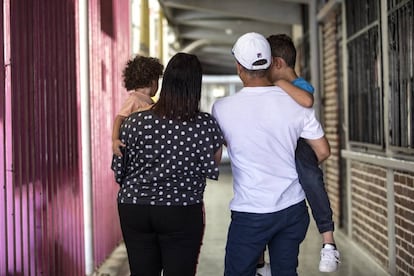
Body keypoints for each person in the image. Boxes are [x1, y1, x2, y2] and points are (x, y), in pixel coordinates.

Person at [212, 32, 331, 276]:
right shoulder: (298, 103)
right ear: (270, 63)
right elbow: (322, 150)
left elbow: (216, 155)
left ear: (239, 67)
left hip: (250, 213)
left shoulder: (221, 108)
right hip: (292, 209)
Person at [111, 52, 224, 276]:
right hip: (181, 210)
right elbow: (213, 161)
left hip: (135, 209)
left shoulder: (134, 121)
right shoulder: (204, 124)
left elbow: (119, 169)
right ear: (195, 86)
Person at [263, 33, 340, 274]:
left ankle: (328, 242)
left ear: (277, 63)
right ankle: (259, 262)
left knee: (312, 179)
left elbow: (307, 100)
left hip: (300, 147)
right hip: (282, 150)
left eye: (265, 64)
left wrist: (277, 84)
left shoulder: (298, 86)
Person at [112, 55, 163, 157]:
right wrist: (115, 140)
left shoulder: (150, 103)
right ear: (153, 82)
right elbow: (119, 118)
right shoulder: (134, 100)